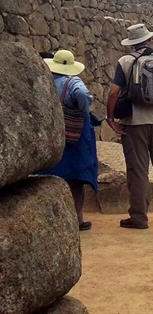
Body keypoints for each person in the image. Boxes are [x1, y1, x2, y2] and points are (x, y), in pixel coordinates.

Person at [106, 24, 153, 229]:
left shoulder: (125, 61)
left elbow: (114, 93)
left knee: (138, 171)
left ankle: (139, 217)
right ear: (149, 40)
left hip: (134, 124)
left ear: (132, 43)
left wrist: (110, 118)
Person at [39, 50, 100, 231]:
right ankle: (77, 219)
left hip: (52, 135)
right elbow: (82, 95)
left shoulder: (46, 81)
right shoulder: (72, 82)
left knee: (50, 177)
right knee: (76, 179)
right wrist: (84, 109)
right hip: (75, 138)